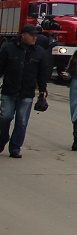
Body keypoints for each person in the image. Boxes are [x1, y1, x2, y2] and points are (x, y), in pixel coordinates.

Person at [0, 24, 51, 158]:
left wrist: (43, 89)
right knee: (5, 117)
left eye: (36, 35)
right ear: (23, 35)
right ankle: (2, 138)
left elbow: (43, 72)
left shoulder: (39, 52)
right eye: (32, 35)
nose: (35, 37)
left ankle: (15, 148)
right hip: (9, 90)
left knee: (22, 121)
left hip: (27, 92)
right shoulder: (9, 49)